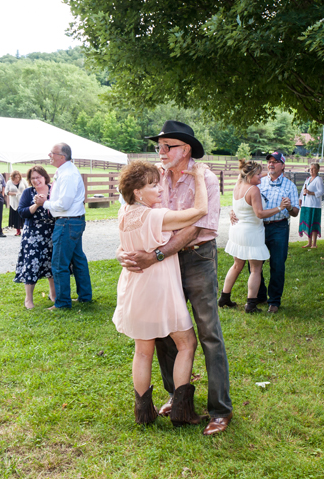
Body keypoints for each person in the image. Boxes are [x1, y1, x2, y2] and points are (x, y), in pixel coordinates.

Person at [117, 120, 233, 435]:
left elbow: (194, 226)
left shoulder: (205, 178)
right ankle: (177, 398)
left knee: (209, 334)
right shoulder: (155, 176)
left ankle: (219, 410)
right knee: (164, 330)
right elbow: (134, 216)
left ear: (187, 150)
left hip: (195, 257)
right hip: (161, 266)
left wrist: (155, 255)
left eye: (169, 146)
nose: (162, 151)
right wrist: (123, 252)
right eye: (160, 145)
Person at [113, 159, 209, 425]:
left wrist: (119, 253)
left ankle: (144, 414)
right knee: (186, 343)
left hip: (135, 288)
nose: (159, 189)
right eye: (152, 185)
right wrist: (199, 176)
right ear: (136, 192)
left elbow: (122, 246)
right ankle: (181, 411)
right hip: (159, 289)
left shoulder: (124, 212)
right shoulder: (155, 216)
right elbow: (200, 210)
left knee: (142, 350)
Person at [220, 159, 288, 313]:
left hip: (236, 231)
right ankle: (251, 304)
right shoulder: (253, 190)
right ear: (250, 175)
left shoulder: (238, 184)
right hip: (251, 233)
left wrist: (268, 172)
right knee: (256, 269)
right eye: (258, 174)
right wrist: (280, 207)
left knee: (237, 265)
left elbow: (254, 176)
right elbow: (260, 214)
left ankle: (224, 297)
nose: (261, 177)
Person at [35, 143, 93, 310]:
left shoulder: (68, 174)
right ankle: (85, 296)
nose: (49, 155)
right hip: (74, 220)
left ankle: (62, 303)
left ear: (62, 156)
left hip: (67, 221)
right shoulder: (66, 171)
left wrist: (44, 203)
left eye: (52, 153)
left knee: (59, 263)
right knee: (78, 260)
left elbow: (64, 204)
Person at [254, 151, 300, 313]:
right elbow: (246, 198)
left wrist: (288, 207)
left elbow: (295, 212)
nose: (271, 164)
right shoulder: (259, 182)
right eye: (269, 161)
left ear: (283, 165)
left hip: (279, 228)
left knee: (277, 264)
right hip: (259, 226)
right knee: (254, 262)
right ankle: (259, 295)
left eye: (275, 162)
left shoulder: (290, 186)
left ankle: (274, 301)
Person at [14, 166, 56, 310]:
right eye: (32, 178)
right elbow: (22, 212)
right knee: (32, 264)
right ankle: (28, 299)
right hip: (32, 234)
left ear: (45, 177)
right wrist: (36, 205)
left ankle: (53, 294)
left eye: (38, 177)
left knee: (52, 264)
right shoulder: (28, 192)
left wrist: (47, 202)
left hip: (51, 232)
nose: (36, 180)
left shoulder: (54, 189)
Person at [298, 162, 324, 248]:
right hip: (306, 204)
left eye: (313, 168)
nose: (311, 170)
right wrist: (300, 199)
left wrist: (311, 193)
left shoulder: (318, 179)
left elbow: (321, 192)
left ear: (317, 170)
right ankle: (309, 242)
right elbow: (303, 190)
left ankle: (314, 244)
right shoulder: (308, 179)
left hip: (314, 205)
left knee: (313, 223)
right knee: (307, 222)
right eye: (310, 168)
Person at [6, 170, 28, 236]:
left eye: (18, 177)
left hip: (23, 201)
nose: (17, 179)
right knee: (16, 217)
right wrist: (15, 193)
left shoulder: (23, 181)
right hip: (14, 202)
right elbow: (6, 192)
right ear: (13, 177)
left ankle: (25, 230)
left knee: (24, 216)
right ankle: (18, 231)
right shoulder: (9, 182)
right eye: (15, 177)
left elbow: (27, 189)